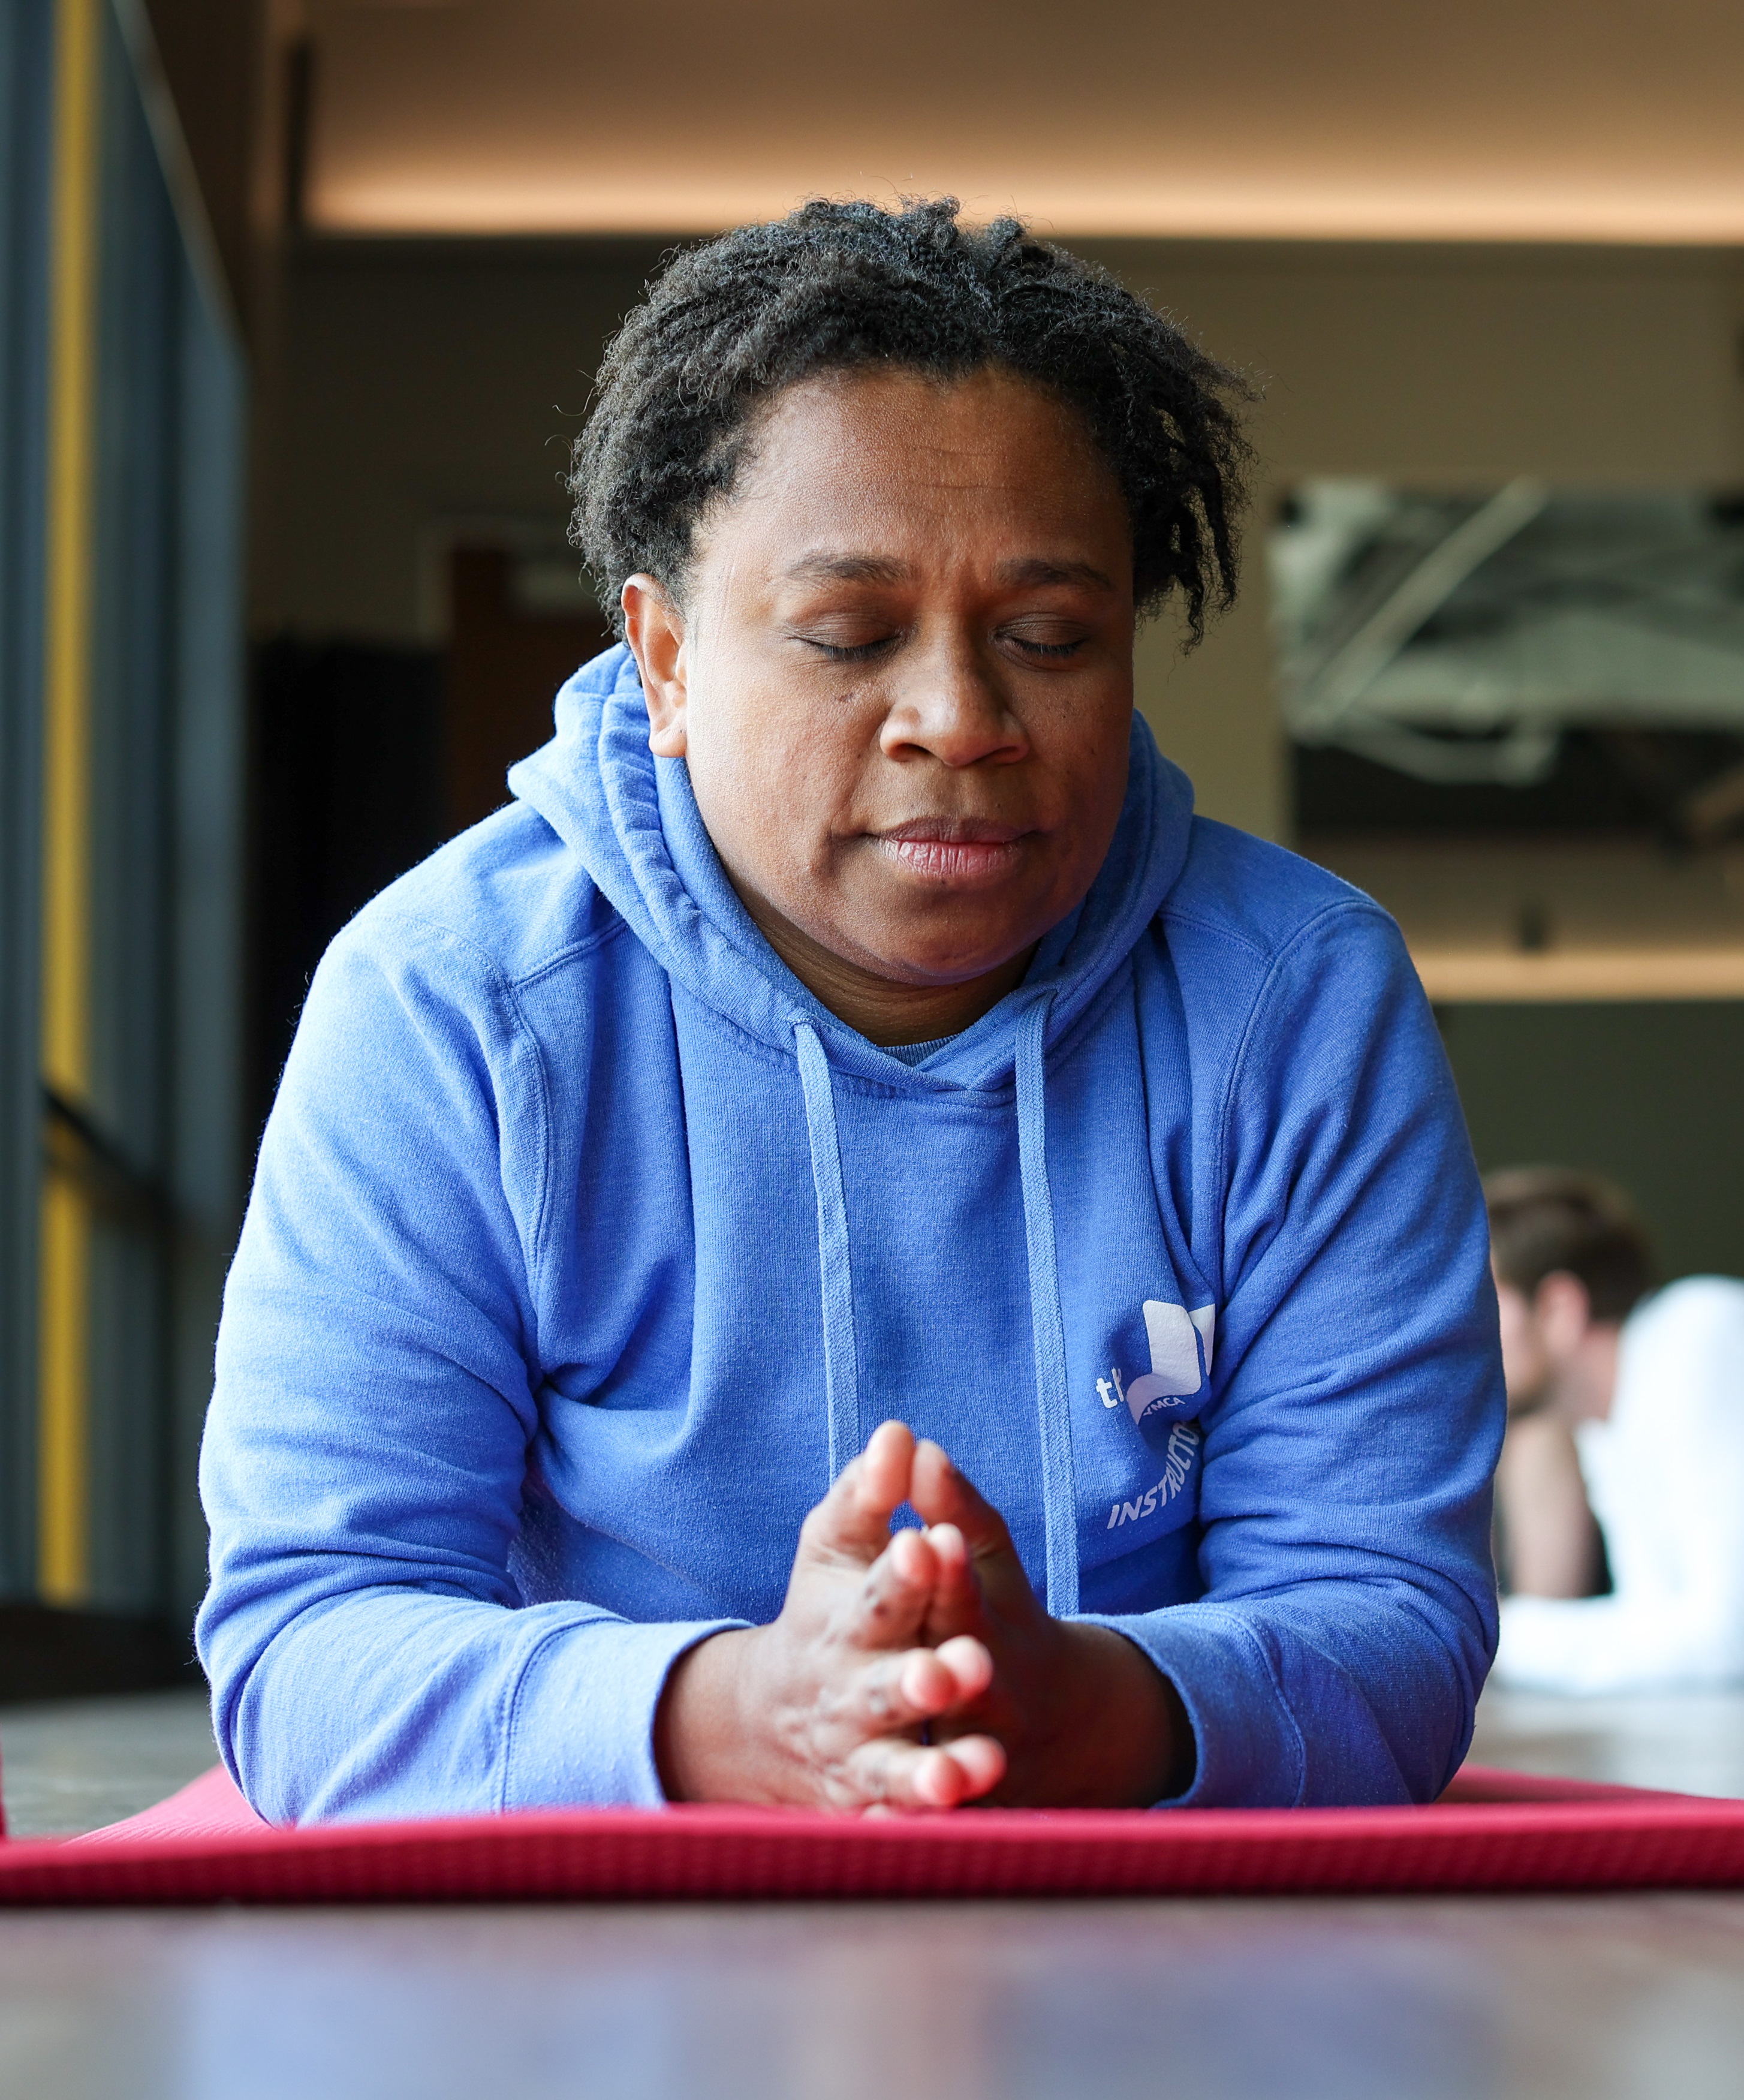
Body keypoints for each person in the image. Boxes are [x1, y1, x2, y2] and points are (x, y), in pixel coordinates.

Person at [197, 198, 1502, 1822]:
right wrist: (751, 1715)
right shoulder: (453, 1004)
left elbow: (1390, 1614)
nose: (958, 719)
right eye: (844, 635)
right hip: (593, 1969)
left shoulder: (1293, 1005)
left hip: (1160, 1954)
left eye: (1047, 635)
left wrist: (1073, 1704)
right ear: (661, 659)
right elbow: (309, 1641)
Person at [1489, 1168, 1744, 1692]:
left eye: (1480, 1304)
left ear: (1558, 1308)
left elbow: (1728, 1637)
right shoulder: (1605, 1427)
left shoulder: (1696, 1332)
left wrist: (1481, 1633)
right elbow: (1655, 1625)